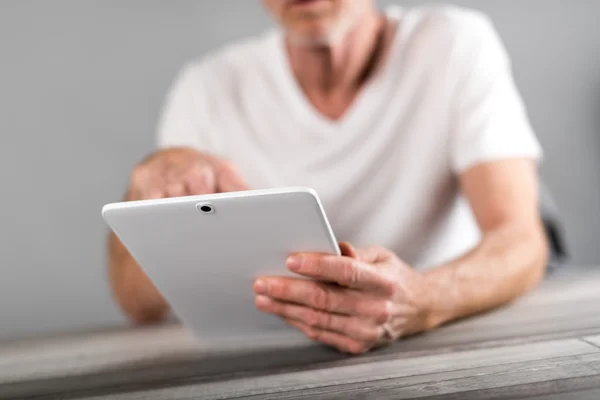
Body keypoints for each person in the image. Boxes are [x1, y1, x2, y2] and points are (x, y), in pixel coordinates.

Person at [108, 0, 548, 355]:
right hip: (275, 359)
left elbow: (521, 242)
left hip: (446, 342)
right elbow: (136, 303)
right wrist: (147, 188)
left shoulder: (453, 44)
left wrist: (422, 298)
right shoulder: (207, 88)